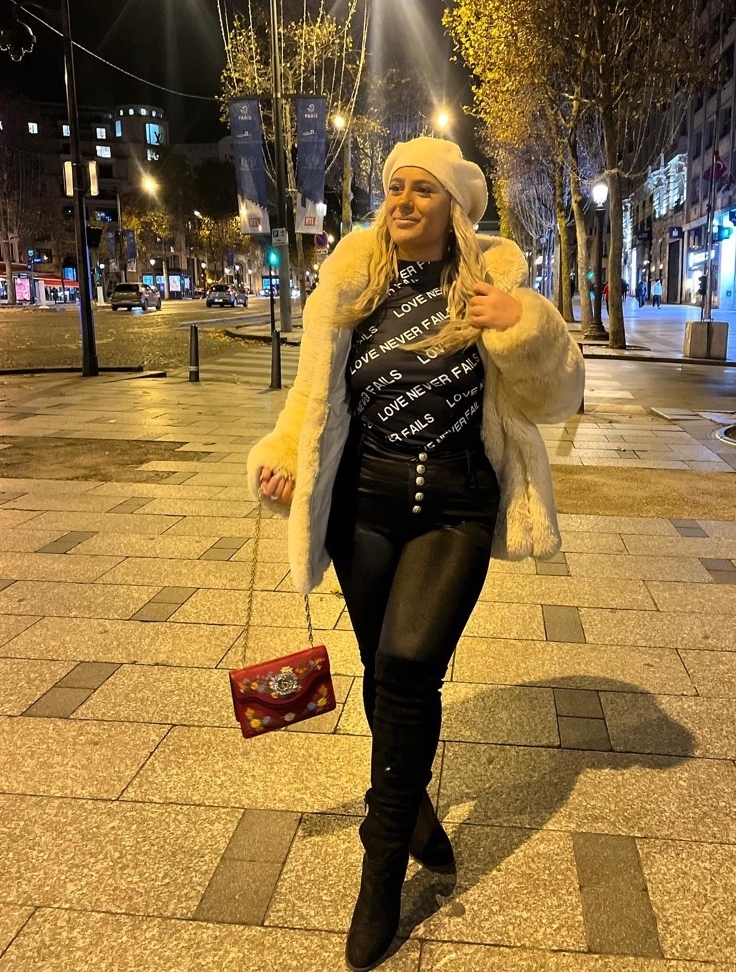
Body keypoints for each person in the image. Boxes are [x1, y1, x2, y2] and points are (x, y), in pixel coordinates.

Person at [247, 136, 584, 972]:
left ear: (455, 207)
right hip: (362, 505)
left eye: (422, 189)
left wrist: (523, 328)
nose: (402, 201)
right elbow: (314, 394)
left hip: (456, 503)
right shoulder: (352, 281)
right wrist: (285, 455)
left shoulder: (491, 288)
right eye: (394, 187)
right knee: (384, 672)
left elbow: (561, 396)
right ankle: (415, 802)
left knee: (407, 664)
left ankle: (382, 863)